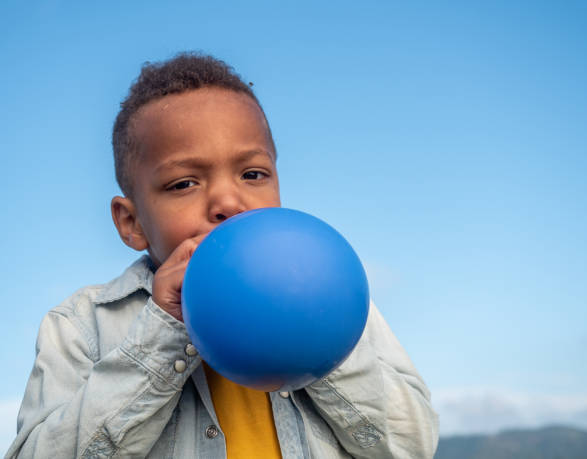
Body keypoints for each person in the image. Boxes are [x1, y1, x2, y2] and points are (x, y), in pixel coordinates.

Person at [7, 53, 439, 458]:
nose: (229, 202)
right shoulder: (81, 324)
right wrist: (163, 333)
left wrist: (321, 342)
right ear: (132, 223)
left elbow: (411, 445)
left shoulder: (339, 302)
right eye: (184, 184)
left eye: (253, 174)